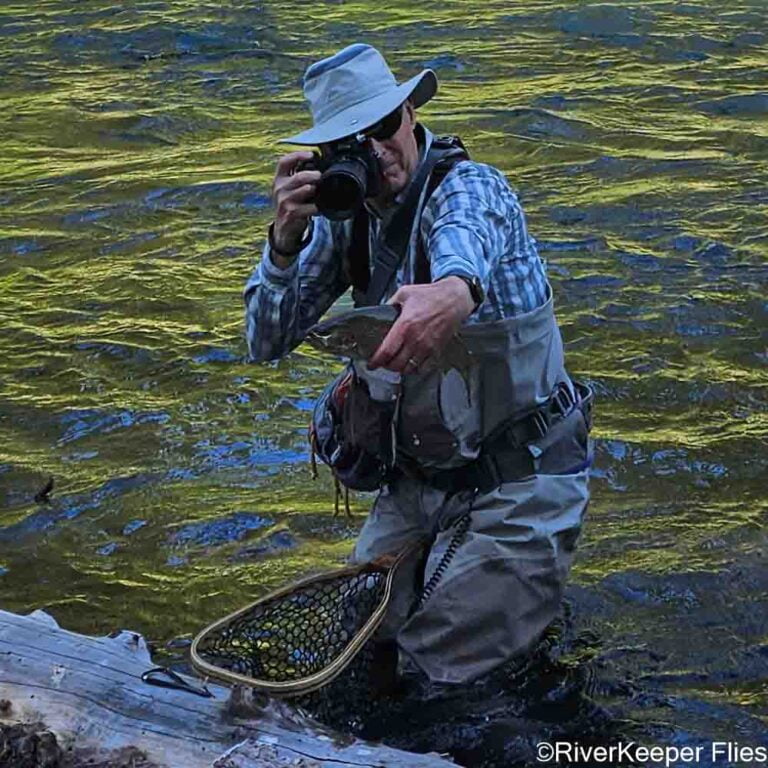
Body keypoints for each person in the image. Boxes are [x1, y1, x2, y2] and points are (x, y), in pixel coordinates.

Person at [243, 43, 592, 687]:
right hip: (420, 483)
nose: (374, 152)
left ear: (409, 114)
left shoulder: (470, 187)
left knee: (439, 670)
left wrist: (453, 291)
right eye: (350, 143)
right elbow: (264, 342)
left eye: (382, 127)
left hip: (521, 479)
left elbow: (468, 239)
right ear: (326, 160)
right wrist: (283, 245)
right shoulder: (344, 226)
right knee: (357, 650)